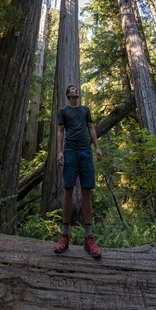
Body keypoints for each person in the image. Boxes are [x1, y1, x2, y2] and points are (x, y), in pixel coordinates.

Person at [54, 84, 103, 258]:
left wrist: (97, 147)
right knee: (68, 189)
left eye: (76, 89)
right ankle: (64, 236)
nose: (75, 90)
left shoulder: (85, 110)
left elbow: (91, 128)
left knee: (87, 190)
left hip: (85, 152)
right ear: (68, 94)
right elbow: (60, 131)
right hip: (70, 151)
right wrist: (59, 151)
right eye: (72, 89)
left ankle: (89, 238)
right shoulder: (64, 112)